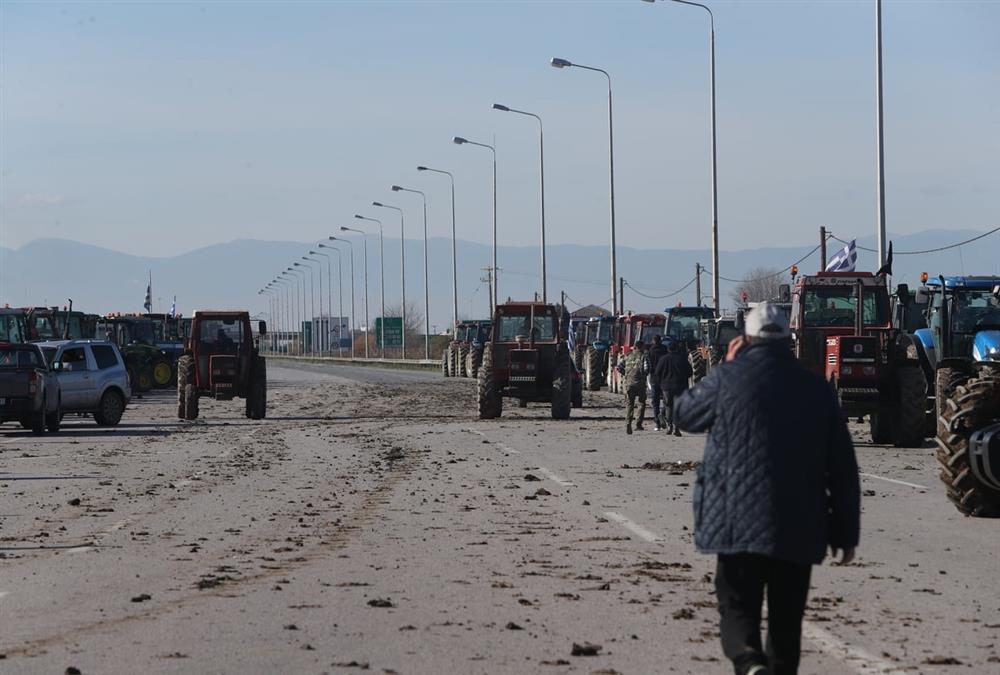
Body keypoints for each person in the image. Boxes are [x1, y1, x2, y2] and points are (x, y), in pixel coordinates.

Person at [673, 303, 860, 675]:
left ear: (746, 338)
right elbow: (842, 468)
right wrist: (845, 532)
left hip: (734, 523)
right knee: (786, 623)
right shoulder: (817, 388)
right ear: (789, 339)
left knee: (737, 609)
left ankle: (748, 662)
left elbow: (684, 414)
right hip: (799, 525)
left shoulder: (729, 378)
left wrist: (724, 366)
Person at [654, 339, 692, 436]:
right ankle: (677, 427)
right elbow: (689, 372)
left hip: (666, 387)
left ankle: (669, 425)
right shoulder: (682, 359)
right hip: (680, 386)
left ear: (668, 349)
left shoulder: (663, 359)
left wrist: (660, 384)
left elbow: (657, 373)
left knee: (668, 406)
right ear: (677, 349)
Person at [618, 339, 648, 435]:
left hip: (628, 384)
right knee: (641, 403)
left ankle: (628, 422)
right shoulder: (643, 356)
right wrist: (642, 376)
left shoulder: (628, 356)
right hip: (640, 384)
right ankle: (638, 423)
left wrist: (626, 375)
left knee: (629, 404)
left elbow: (619, 367)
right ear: (641, 347)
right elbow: (647, 369)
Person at [645, 335, 669, 430]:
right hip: (664, 378)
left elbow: (648, 365)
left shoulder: (650, 351)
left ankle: (657, 423)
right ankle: (662, 414)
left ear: (653, 341)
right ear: (661, 341)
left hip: (654, 378)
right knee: (666, 400)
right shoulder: (665, 350)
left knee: (655, 402)